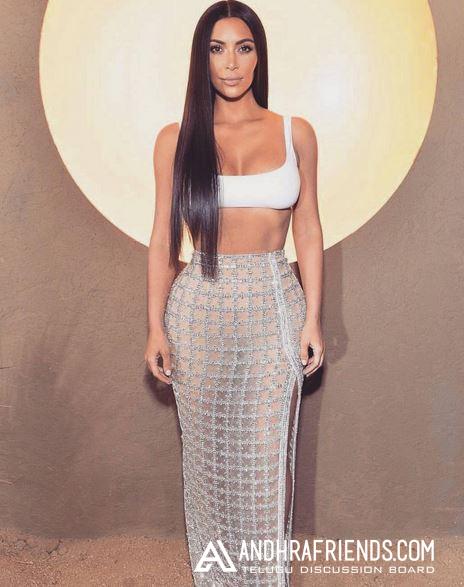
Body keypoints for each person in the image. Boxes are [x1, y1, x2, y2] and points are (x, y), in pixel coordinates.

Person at [145, 1, 324, 584]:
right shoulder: (177, 140)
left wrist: (313, 318)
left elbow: (309, 228)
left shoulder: (295, 132)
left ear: (258, 56)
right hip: (199, 310)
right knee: (208, 464)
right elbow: (162, 239)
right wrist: (155, 327)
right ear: (201, 59)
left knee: (268, 463)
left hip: (274, 306)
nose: (231, 62)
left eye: (243, 47)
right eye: (217, 49)